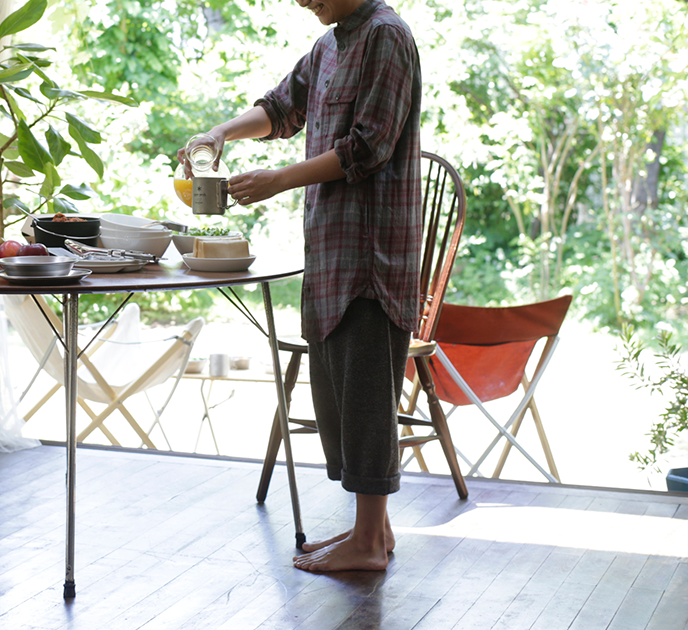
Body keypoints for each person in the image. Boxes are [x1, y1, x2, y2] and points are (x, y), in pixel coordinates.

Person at [179, 0, 422, 572]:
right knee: (340, 391)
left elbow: (369, 146)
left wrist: (277, 180)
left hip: (371, 249)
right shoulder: (330, 43)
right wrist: (219, 133)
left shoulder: (387, 37)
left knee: (365, 396)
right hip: (333, 247)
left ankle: (366, 543)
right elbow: (282, 108)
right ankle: (374, 533)